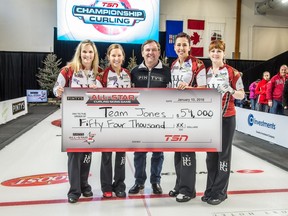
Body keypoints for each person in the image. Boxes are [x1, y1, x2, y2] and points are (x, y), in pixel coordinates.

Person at [53, 39, 103, 203]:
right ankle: (74, 191)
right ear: (79, 53)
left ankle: (84, 185)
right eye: (84, 51)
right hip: (72, 120)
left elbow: (104, 95)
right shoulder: (68, 70)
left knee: (87, 154)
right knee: (74, 155)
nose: (87, 55)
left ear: (94, 54)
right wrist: (59, 91)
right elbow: (56, 89)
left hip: (91, 120)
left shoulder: (99, 72)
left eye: (90, 52)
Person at [202, 40, 245, 205]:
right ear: (209, 53)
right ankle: (210, 189)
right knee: (210, 157)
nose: (215, 54)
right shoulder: (205, 72)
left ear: (224, 53)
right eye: (213, 51)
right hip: (210, 119)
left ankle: (220, 192)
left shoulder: (232, 72)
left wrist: (231, 90)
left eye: (218, 51)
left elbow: (242, 95)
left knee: (223, 156)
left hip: (227, 118)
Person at [128, 39, 171, 195]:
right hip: (139, 119)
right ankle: (139, 182)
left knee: (158, 153)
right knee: (139, 152)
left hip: (160, 119)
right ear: (142, 52)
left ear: (159, 52)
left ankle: (155, 182)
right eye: (147, 50)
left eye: (154, 50)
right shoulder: (134, 72)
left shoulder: (167, 72)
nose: (150, 53)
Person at [168, 32, 206, 202]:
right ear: (174, 47)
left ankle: (188, 190)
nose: (181, 48)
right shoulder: (174, 64)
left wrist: (189, 88)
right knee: (177, 152)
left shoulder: (198, 64)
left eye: (184, 45)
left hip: (191, 113)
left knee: (187, 152)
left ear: (190, 46)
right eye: (178, 45)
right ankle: (179, 185)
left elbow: (205, 89)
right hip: (176, 113)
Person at [100, 44, 131, 198]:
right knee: (106, 155)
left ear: (123, 57)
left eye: (119, 55)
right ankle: (106, 186)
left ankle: (119, 185)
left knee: (121, 155)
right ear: (108, 57)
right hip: (106, 121)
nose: (116, 58)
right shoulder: (103, 75)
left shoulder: (128, 74)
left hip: (123, 121)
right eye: (113, 55)